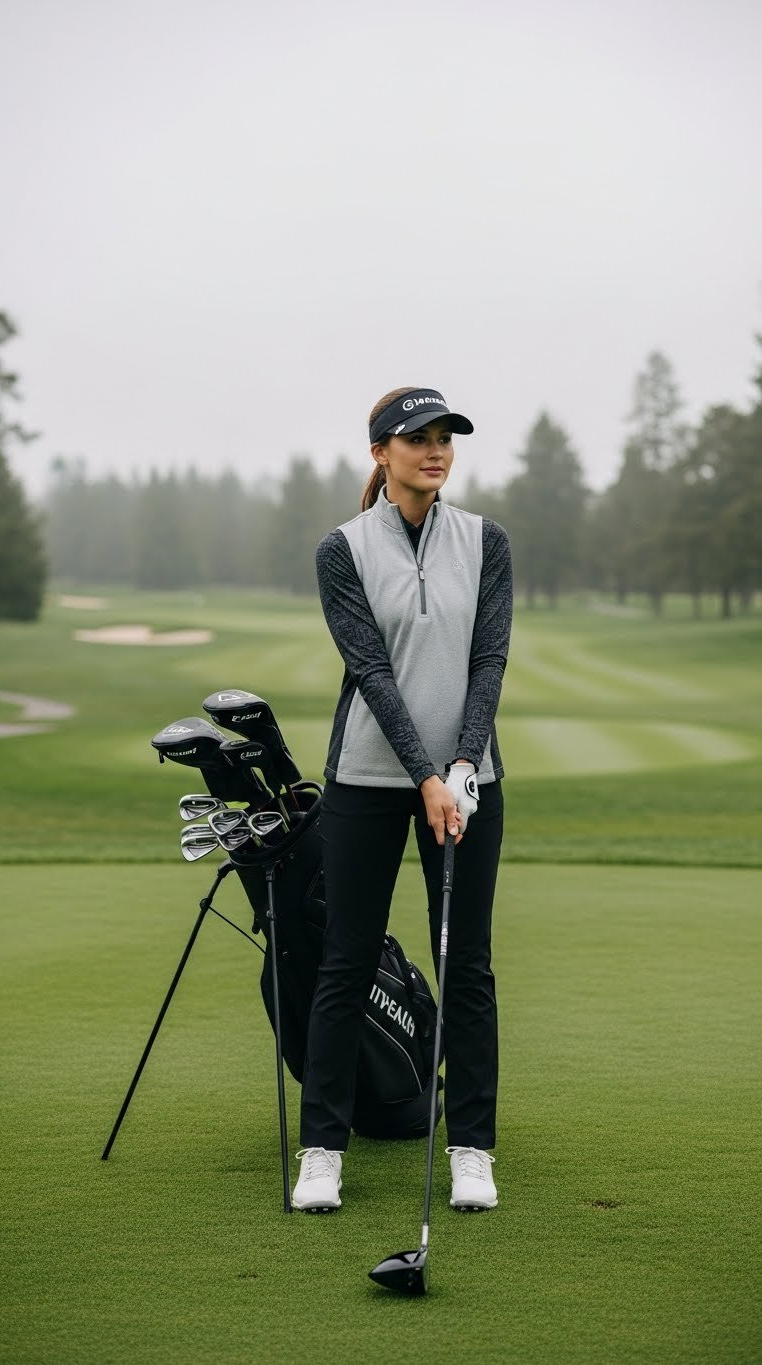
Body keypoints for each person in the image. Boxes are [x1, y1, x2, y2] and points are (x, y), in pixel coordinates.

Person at [292, 386, 512, 1213]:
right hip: (366, 779)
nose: (436, 450)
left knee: (469, 966)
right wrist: (425, 775)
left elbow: (488, 658)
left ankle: (472, 1149)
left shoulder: (486, 540)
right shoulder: (342, 549)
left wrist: (463, 763)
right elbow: (372, 672)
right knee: (346, 961)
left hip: (468, 780)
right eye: (418, 438)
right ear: (381, 452)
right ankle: (322, 1151)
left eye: (445, 436)